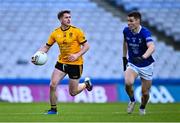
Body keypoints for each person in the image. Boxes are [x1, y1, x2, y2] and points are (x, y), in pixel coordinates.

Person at [32, 10, 93, 114]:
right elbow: (47, 47)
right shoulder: (55, 33)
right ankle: (53, 109)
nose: (69, 19)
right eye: (66, 17)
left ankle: (86, 84)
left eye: (70, 17)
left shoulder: (77, 31)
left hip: (76, 64)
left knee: (73, 92)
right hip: (62, 63)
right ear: (60, 19)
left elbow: (87, 46)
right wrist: (36, 55)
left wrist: (76, 55)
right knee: (52, 85)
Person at [122, 11, 155, 115]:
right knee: (128, 82)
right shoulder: (126, 31)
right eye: (128, 21)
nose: (128, 23)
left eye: (131, 21)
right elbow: (125, 42)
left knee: (145, 93)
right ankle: (132, 100)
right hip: (133, 63)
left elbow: (152, 47)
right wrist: (124, 57)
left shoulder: (145, 32)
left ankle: (142, 107)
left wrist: (143, 57)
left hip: (146, 65)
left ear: (138, 21)